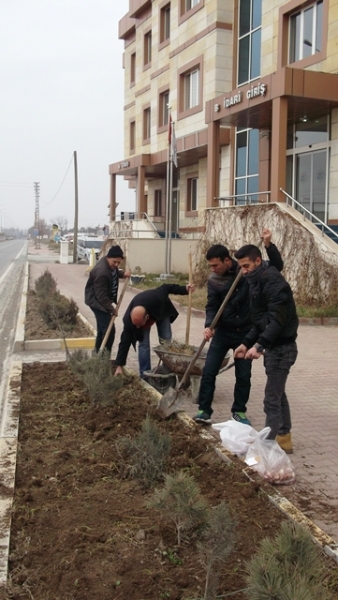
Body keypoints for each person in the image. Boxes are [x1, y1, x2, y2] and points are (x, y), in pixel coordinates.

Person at [193, 228, 283, 426]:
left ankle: (239, 412)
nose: (213, 269)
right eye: (210, 266)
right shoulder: (213, 280)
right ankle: (204, 410)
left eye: (215, 265)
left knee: (243, 375)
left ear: (227, 260)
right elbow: (211, 305)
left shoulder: (248, 271)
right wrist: (209, 325)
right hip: (223, 332)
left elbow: (277, 265)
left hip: (246, 333)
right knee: (209, 371)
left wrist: (268, 245)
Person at [233, 243, 298, 454]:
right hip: (274, 348)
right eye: (241, 267)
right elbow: (259, 322)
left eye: (246, 266)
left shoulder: (273, 282)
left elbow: (276, 322)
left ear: (258, 261)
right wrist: (245, 344)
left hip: (283, 348)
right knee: (278, 394)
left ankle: (269, 445)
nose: (243, 271)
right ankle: (284, 438)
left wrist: (260, 346)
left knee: (271, 398)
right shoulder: (256, 281)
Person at [114, 283, 195, 378]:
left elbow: (166, 287)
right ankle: (145, 375)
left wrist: (184, 289)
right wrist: (119, 365)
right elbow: (124, 342)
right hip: (145, 313)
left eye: (139, 324)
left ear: (147, 317)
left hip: (161, 312)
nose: (138, 327)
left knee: (166, 341)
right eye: (136, 325)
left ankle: (167, 371)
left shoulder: (157, 297)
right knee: (143, 345)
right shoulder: (130, 321)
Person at [84, 245, 130, 354]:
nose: (116, 265)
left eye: (119, 263)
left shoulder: (110, 265)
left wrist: (122, 274)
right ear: (108, 257)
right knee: (109, 331)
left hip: (101, 300)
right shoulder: (102, 272)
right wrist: (112, 310)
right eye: (115, 262)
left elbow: (114, 273)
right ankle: (104, 358)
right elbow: (101, 296)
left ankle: (97, 356)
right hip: (97, 302)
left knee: (102, 330)